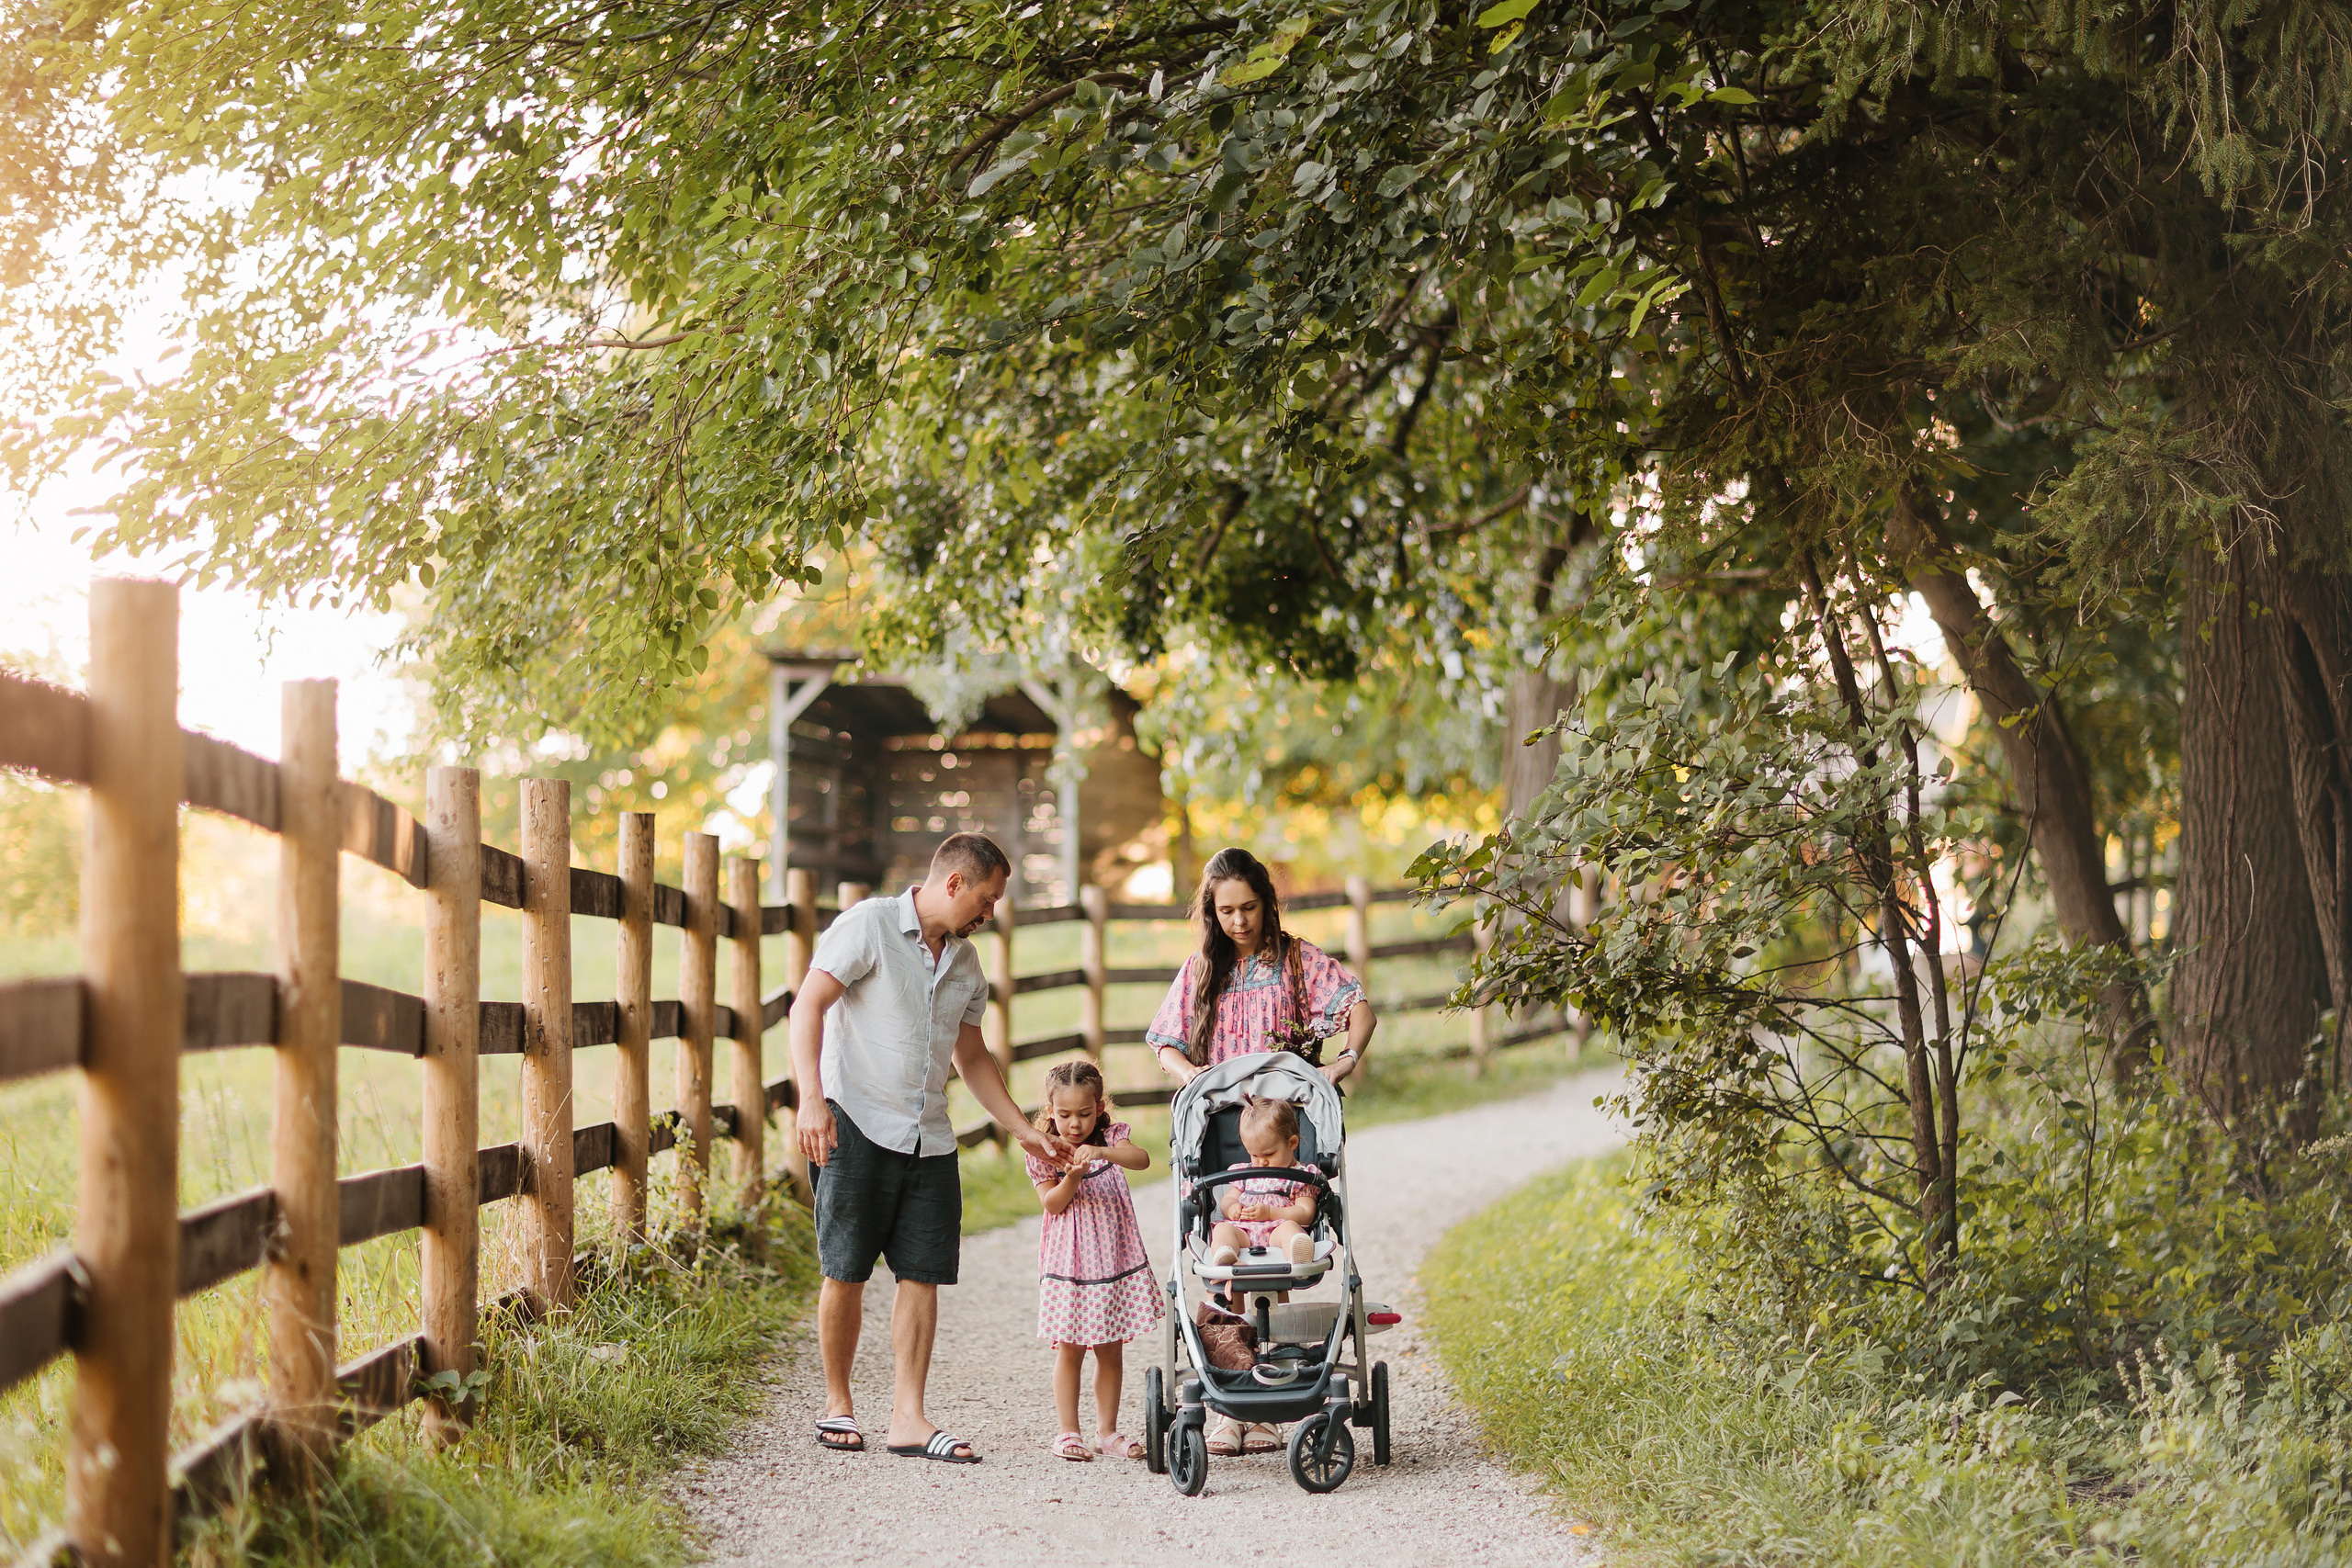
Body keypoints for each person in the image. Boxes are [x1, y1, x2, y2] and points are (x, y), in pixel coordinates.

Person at [790, 833, 1074, 1464]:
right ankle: (839, 1403)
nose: (991, 911)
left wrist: (1023, 1129)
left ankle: (908, 1416)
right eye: (988, 897)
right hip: (855, 1120)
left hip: (930, 1136)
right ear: (953, 883)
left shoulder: (967, 964)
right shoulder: (868, 926)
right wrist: (811, 1098)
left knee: (923, 1272)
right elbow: (808, 1004)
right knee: (846, 1267)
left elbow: (970, 1055)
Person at [1147, 846, 1377, 1089]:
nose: (1239, 921)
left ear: (1266, 903)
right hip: (1220, 1115)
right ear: (1212, 912)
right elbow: (1166, 1045)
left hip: (1287, 1115)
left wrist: (1346, 1061)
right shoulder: (1199, 969)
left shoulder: (1299, 960)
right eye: (1227, 911)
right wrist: (1189, 1071)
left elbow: (1362, 1013)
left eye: (1249, 907)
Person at [1025, 1060, 1161, 1461]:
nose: (1074, 1124)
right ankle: (1068, 1431)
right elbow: (1051, 1202)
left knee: (1110, 1347)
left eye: (1084, 1114)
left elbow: (1142, 1160)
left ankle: (1107, 1431)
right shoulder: (1044, 1149)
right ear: (1050, 1111)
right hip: (1071, 1265)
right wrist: (1072, 1176)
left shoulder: (1113, 1138)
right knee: (1070, 1348)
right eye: (1065, 1115)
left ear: (1100, 1108)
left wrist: (1102, 1151)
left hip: (1113, 1261)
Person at [1208, 1098, 1319, 1269]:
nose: (1261, 1163)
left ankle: (1296, 1254)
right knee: (1222, 1230)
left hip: (1276, 1232)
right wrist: (1231, 1207)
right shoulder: (1245, 1173)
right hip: (1243, 1232)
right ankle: (1226, 1254)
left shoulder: (1300, 1176)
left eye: (1268, 1154)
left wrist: (1271, 1212)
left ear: (1292, 1143)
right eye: (1254, 1156)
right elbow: (1228, 1199)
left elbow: (1306, 1213)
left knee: (1290, 1229)